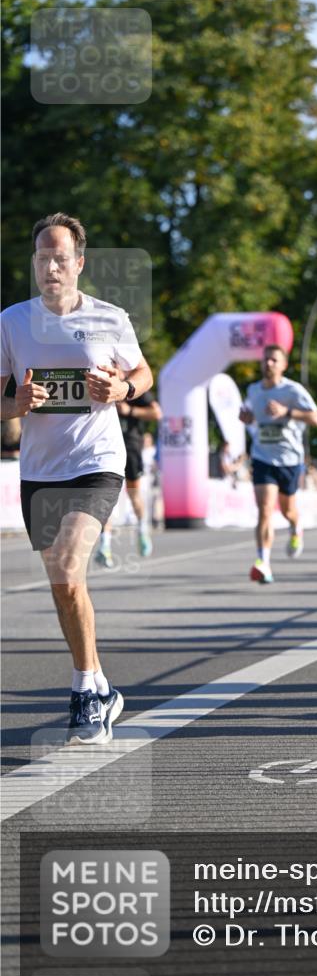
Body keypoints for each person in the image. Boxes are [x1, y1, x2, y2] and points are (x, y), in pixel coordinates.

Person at [0, 213, 153, 745]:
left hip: (96, 462)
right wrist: (14, 404)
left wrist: (122, 390)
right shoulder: (12, 322)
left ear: (79, 263)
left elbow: (143, 373)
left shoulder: (110, 318)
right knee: (65, 587)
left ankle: (84, 691)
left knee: (68, 566)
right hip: (40, 470)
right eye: (42, 258)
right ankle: (101, 685)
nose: (51, 268)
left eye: (60, 258)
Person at [240, 344, 317, 583]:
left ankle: (296, 528)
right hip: (263, 457)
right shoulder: (253, 390)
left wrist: (287, 412)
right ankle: (263, 562)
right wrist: (247, 418)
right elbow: (252, 417)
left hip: (289, 460)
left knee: (288, 511)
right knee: (265, 509)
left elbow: (316, 418)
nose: (269, 363)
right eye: (265, 359)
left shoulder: (292, 390)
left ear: (284, 365)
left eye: (274, 360)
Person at [95, 388, 162, 566]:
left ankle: (142, 529)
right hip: (106, 449)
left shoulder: (132, 387)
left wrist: (130, 410)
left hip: (130, 447)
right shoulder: (99, 385)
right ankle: (105, 545)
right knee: (107, 497)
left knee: (133, 494)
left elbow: (156, 413)